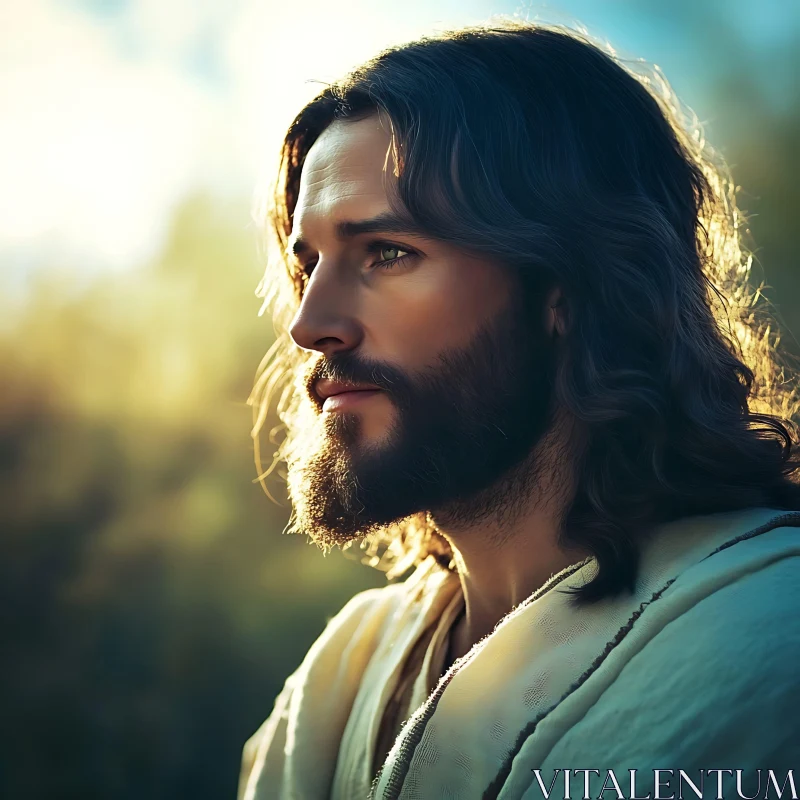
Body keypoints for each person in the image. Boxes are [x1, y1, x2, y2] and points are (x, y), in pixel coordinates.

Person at [239, 21, 800, 800]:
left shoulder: (774, 649)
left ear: (567, 288)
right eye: (310, 265)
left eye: (386, 253)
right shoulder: (341, 679)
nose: (309, 324)